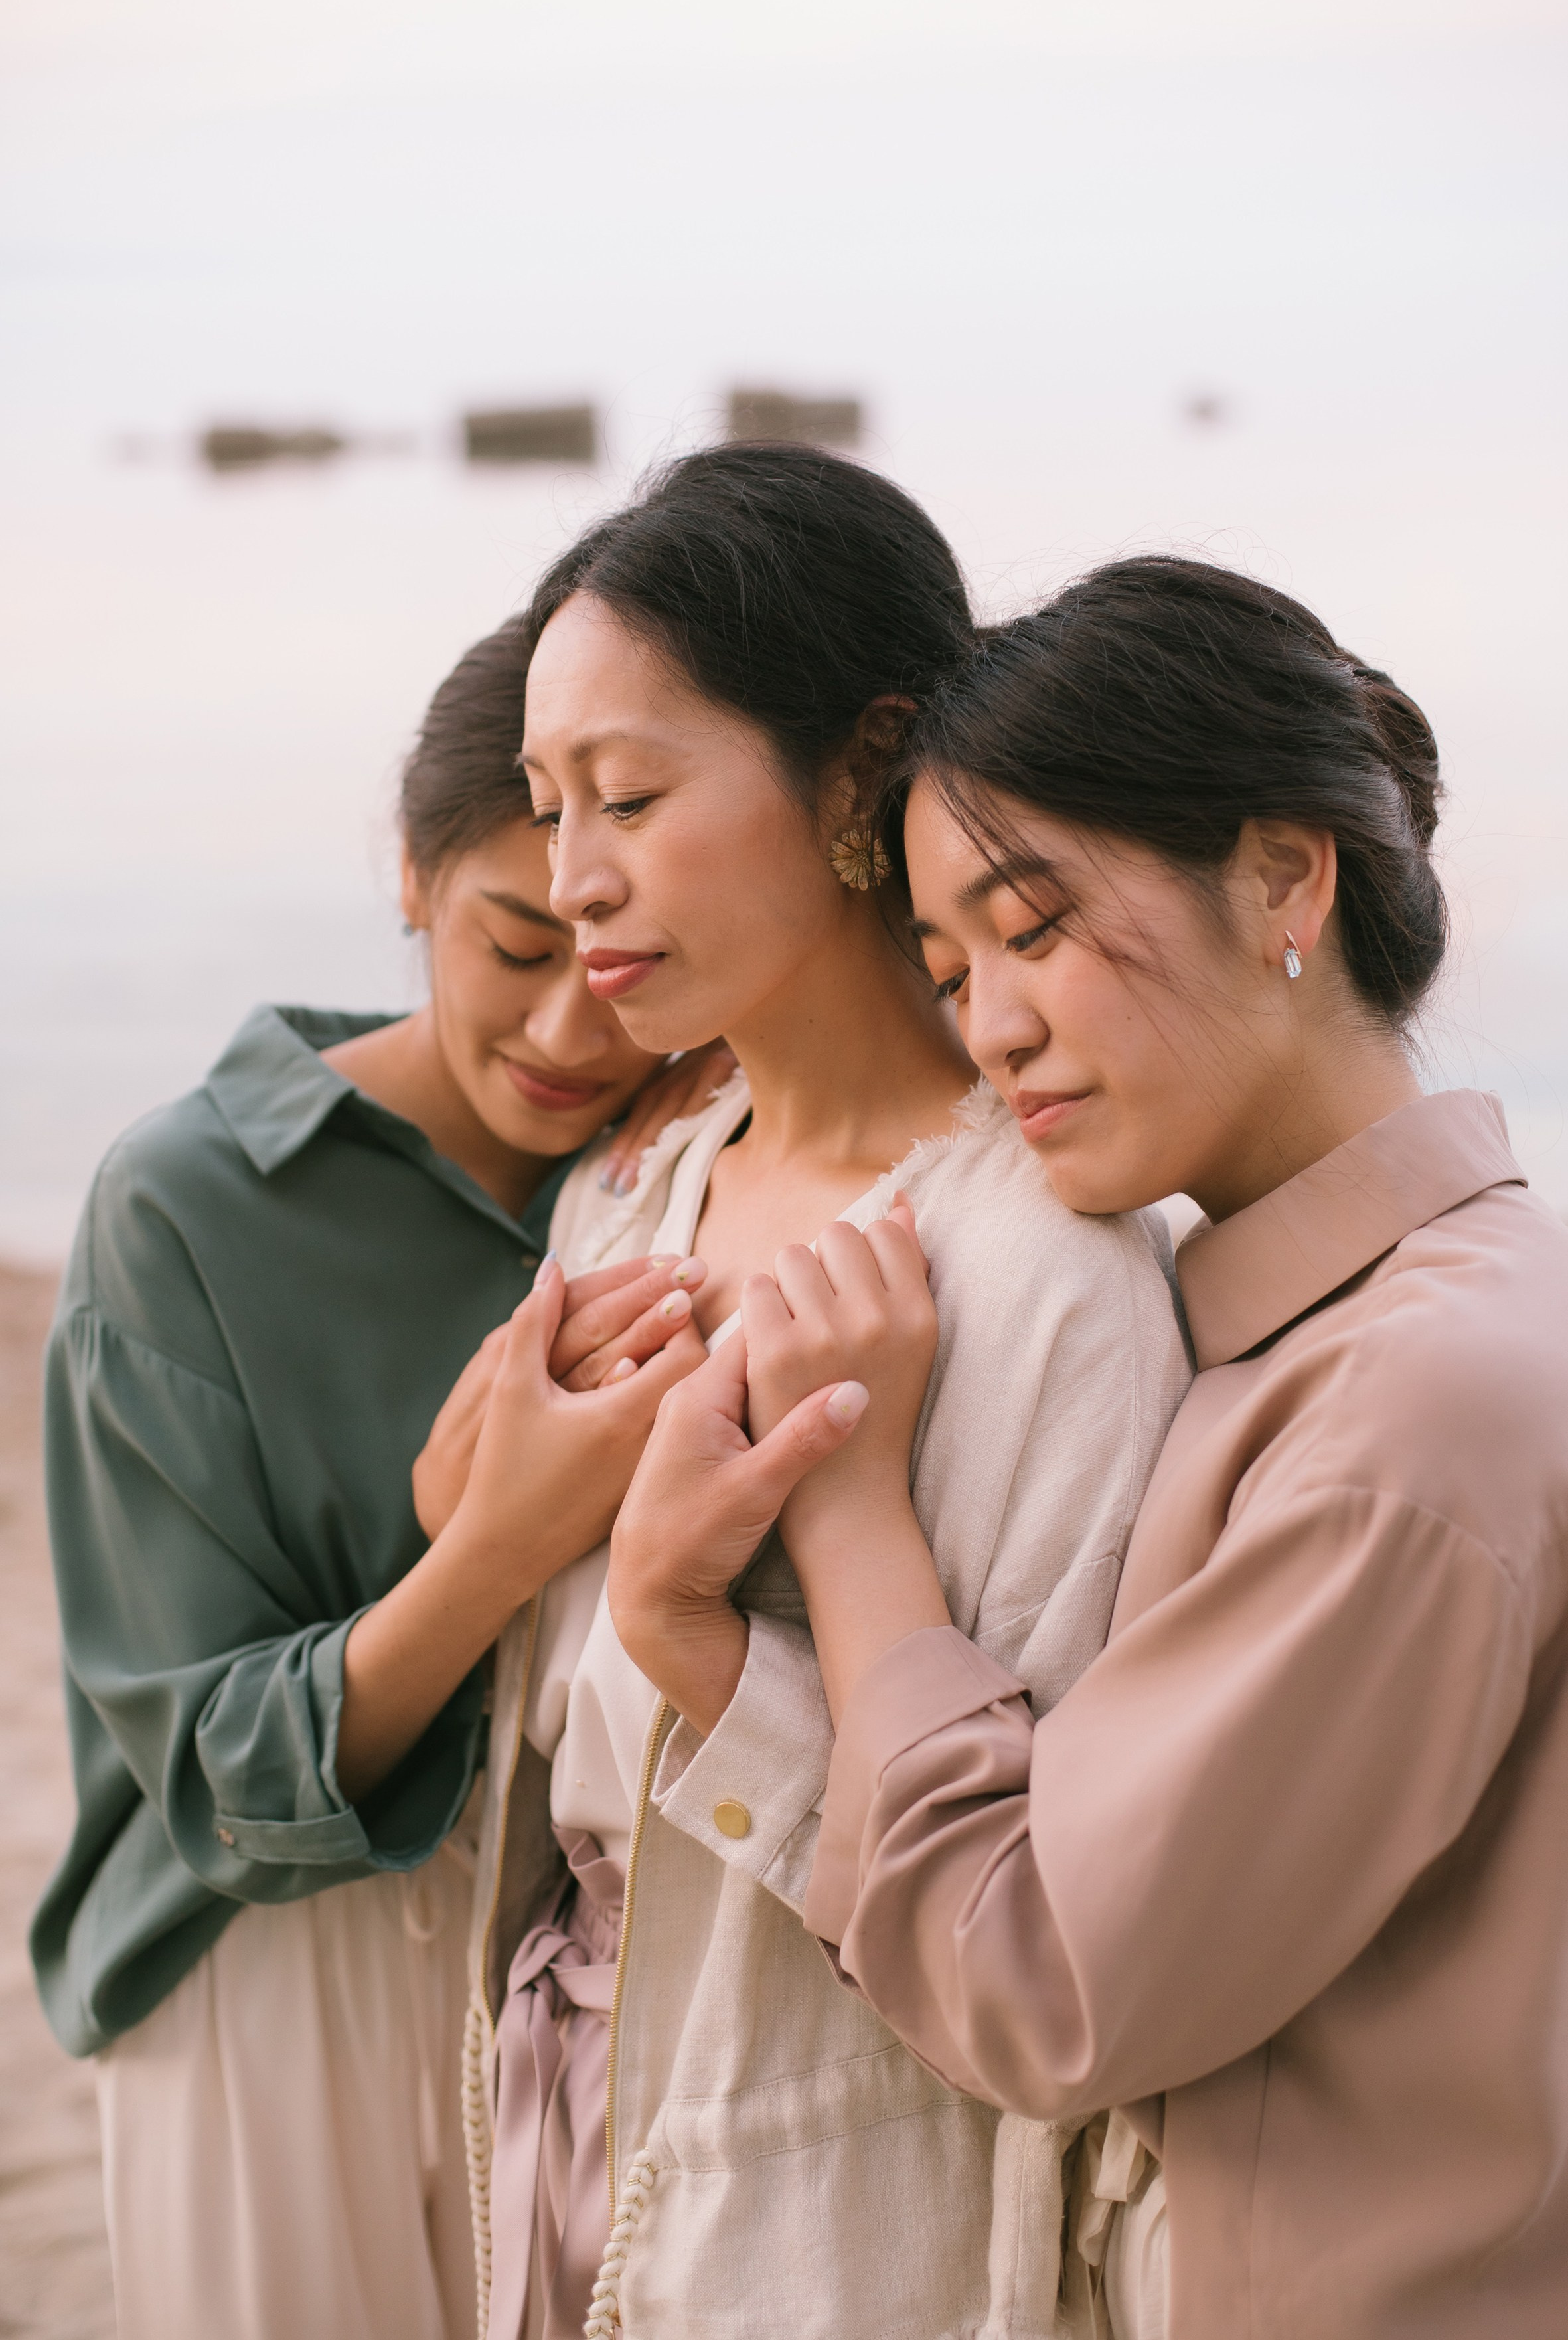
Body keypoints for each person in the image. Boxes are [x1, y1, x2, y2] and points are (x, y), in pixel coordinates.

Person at [615, 558, 1568, 2338]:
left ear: (1281, 876)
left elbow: (1043, 1985)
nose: (992, 1026)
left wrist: (849, 1513)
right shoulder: (1395, 1321)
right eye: (948, 966)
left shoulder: (1407, 1411)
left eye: (1035, 926)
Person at [448, 444, 1191, 2340]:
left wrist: (699, 1635)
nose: (573, 878)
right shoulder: (632, 1196)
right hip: (551, 2111)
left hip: (836, 2185)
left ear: (860, 770)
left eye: (629, 797)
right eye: (546, 808)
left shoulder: (1046, 1274)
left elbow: (1039, 1913)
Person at [32, 618, 732, 2340]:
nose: (571, 1027)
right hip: (267, 1976)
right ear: (410, 878)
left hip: (582, 1949)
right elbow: (213, 1775)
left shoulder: (683, 1163)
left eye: (613, 960)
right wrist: (489, 1547)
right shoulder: (187, 1205)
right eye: (512, 945)